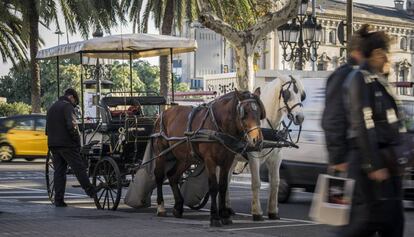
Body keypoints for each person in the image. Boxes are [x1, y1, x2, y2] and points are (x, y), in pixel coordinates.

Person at [340, 27, 405, 237]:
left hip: (386, 163)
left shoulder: (378, 79)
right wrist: (373, 165)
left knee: (389, 222)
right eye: (388, 53)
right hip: (369, 166)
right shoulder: (360, 79)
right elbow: (363, 123)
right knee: (363, 225)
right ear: (378, 53)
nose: (391, 58)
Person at [322, 25, 366, 173]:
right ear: (359, 51)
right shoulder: (344, 75)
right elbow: (332, 119)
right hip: (347, 161)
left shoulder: (360, 74)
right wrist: (339, 159)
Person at [46, 88, 96, 207]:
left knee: (59, 172)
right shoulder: (67, 107)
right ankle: (91, 191)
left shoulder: (52, 107)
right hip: (67, 144)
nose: (75, 104)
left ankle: (58, 200)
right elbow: (72, 126)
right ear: (72, 97)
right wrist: (77, 142)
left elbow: (47, 130)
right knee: (79, 168)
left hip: (53, 144)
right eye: (75, 102)